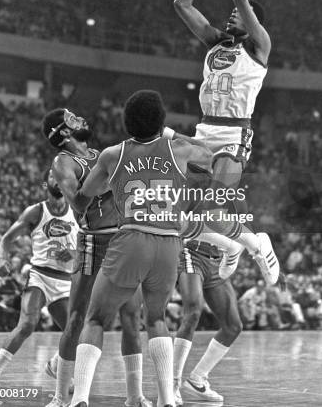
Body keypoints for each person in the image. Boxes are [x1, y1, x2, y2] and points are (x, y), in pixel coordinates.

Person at [69, 90, 213, 407]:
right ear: (161, 121)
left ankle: (79, 398)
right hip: (169, 243)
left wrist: (103, 188)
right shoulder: (180, 149)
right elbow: (208, 154)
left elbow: (82, 199)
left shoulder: (112, 155)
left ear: (126, 121)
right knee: (157, 318)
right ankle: (167, 399)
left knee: (95, 319)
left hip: (132, 238)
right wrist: (172, 134)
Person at [173, 0, 280, 283]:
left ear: (253, 24)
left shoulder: (260, 46)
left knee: (216, 206)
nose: (231, 14)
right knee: (177, 215)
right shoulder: (216, 42)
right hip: (204, 130)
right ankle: (241, 242)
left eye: (239, 15)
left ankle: (251, 242)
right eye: (231, 15)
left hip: (234, 132)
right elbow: (182, 3)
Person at [42, 108, 149, 407]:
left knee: (131, 317)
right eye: (73, 120)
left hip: (123, 239)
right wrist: (105, 182)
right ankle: (61, 398)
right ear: (63, 132)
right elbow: (76, 203)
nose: (81, 120)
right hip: (94, 242)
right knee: (77, 319)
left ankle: (135, 396)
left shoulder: (99, 154)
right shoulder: (62, 162)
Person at [0, 170, 78, 387]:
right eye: (53, 176)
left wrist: (74, 252)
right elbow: (6, 239)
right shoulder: (36, 211)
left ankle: (55, 365)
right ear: (45, 185)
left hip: (65, 281)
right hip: (40, 276)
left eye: (61, 176)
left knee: (76, 334)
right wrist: (1, 260)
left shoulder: (78, 211)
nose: (58, 180)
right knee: (27, 325)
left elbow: (89, 245)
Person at [173, 238, 243, 404]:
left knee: (233, 326)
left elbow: (242, 231)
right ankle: (172, 383)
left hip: (219, 259)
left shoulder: (237, 211)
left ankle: (197, 379)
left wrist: (267, 260)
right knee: (193, 313)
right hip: (191, 253)